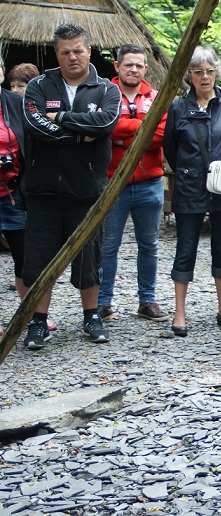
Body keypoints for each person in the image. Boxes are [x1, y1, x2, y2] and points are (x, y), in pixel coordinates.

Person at [21, 23, 121, 350]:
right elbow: (34, 124)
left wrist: (60, 118)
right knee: (38, 261)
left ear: (88, 51)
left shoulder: (106, 89)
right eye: (66, 52)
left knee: (89, 259)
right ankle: (38, 320)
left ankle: (91, 316)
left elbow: (106, 124)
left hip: (87, 190)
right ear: (57, 54)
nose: (72, 57)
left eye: (78, 50)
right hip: (43, 191)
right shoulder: (38, 85)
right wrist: (80, 135)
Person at [163, 45, 221, 338]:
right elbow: (170, 148)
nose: (205, 77)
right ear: (190, 76)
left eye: (209, 71)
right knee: (185, 248)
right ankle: (179, 312)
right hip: (189, 185)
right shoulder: (178, 107)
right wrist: (190, 170)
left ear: (216, 72)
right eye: (198, 72)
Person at [98, 44, 168, 323]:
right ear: (117, 66)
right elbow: (105, 127)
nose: (134, 69)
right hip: (113, 183)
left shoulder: (156, 97)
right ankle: (102, 303)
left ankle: (147, 300)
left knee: (149, 244)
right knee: (108, 245)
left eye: (139, 65)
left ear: (146, 68)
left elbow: (160, 133)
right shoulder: (104, 94)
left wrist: (121, 137)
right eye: (128, 64)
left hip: (150, 182)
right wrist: (141, 127)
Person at [0, 57, 56, 334]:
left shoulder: (14, 102)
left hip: (13, 192)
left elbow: (37, 137)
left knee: (26, 258)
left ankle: (32, 315)